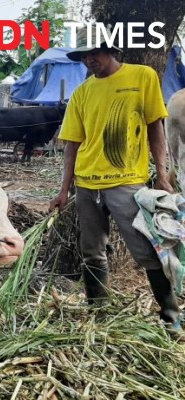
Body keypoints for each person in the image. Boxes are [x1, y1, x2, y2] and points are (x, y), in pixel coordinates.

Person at [49, 29, 183, 336]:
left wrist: (162, 174)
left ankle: (171, 318)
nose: (89, 60)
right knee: (92, 252)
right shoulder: (82, 93)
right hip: (87, 184)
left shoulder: (142, 77)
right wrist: (63, 189)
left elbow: (155, 127)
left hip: (126, 183)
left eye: (94, 53)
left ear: (112, 50)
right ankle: (99, 315)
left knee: (149, 251)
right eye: (84, 56)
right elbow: (71, 144)